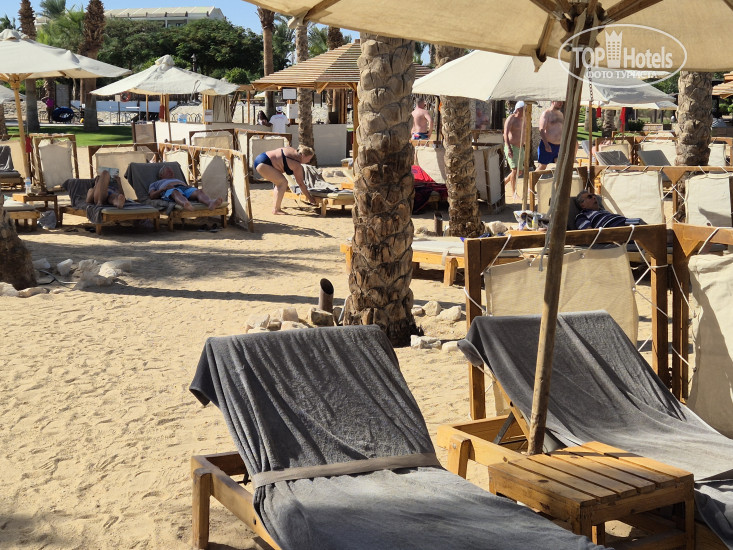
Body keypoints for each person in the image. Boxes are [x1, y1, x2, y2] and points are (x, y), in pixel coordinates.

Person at [253, 145, 315, 215]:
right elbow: (300, 184)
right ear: (303, 156)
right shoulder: (296, 165)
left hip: (262, 157)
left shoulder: (291, 150)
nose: (309, 161)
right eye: (309, 158)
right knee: (282, 183)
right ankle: (276, 209)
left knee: (280, 182)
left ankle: (276, 208)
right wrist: (310, 198)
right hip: (264, 164)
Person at [148, 166, 223, 211]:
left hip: (185, 188)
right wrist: (163, 189)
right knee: (175, 192)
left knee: (199, 191)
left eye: (172, 172)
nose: (171, 173)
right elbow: (152, 196)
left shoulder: (177, 179)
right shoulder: (156, 183)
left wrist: (188, 186)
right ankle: (185, 204)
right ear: (161, 175)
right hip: (169, 189)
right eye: (168, 172)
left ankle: (210, 203)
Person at [575, 190, 644, 230]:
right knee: (643, 229)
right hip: (615, 229)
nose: (594, 198)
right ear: (582, 205)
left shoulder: (603, 211)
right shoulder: (582, 215)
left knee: (642, 225)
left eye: (594, 195)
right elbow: (588, 232)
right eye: (590, 197)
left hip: (624, 222)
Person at [503, 100, 526, 202]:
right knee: (515, 170)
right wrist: (508, 148)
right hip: (512, 147)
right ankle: (514, 193)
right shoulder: (511, 118)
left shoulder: (524, 119)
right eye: (524, 109)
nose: (525, 111)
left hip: (520, 148)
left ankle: (503, 184)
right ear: (518, 109)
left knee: (519, 172)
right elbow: (505, 133)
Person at [537, 101, 564, 170]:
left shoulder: (561, 114)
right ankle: (532, 178)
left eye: (561, 101)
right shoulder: (546, 113)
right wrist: (546, 145)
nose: (561, 103)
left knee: (561, 166)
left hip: (559, 146)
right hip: (548, 144)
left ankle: (558, 178)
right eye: (558, 101)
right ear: (553, 101)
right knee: (542, 166)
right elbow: (541, 129)